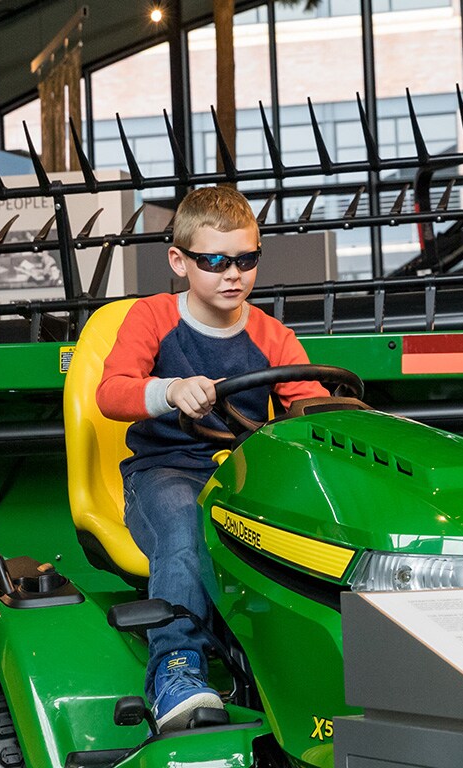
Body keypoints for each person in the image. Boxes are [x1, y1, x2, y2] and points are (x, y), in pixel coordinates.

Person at [96, 186, 328, 731]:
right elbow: (111, 392)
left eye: (246, 260)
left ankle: (296, 671)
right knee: (185, 527)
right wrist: (170, 390)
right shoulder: (153, 318)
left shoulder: (272, 334)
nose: (233, 275)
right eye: (215, 262)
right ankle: (175, 668)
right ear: (179, 262)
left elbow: (309, 404)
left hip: (241, 478)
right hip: (164, 473)